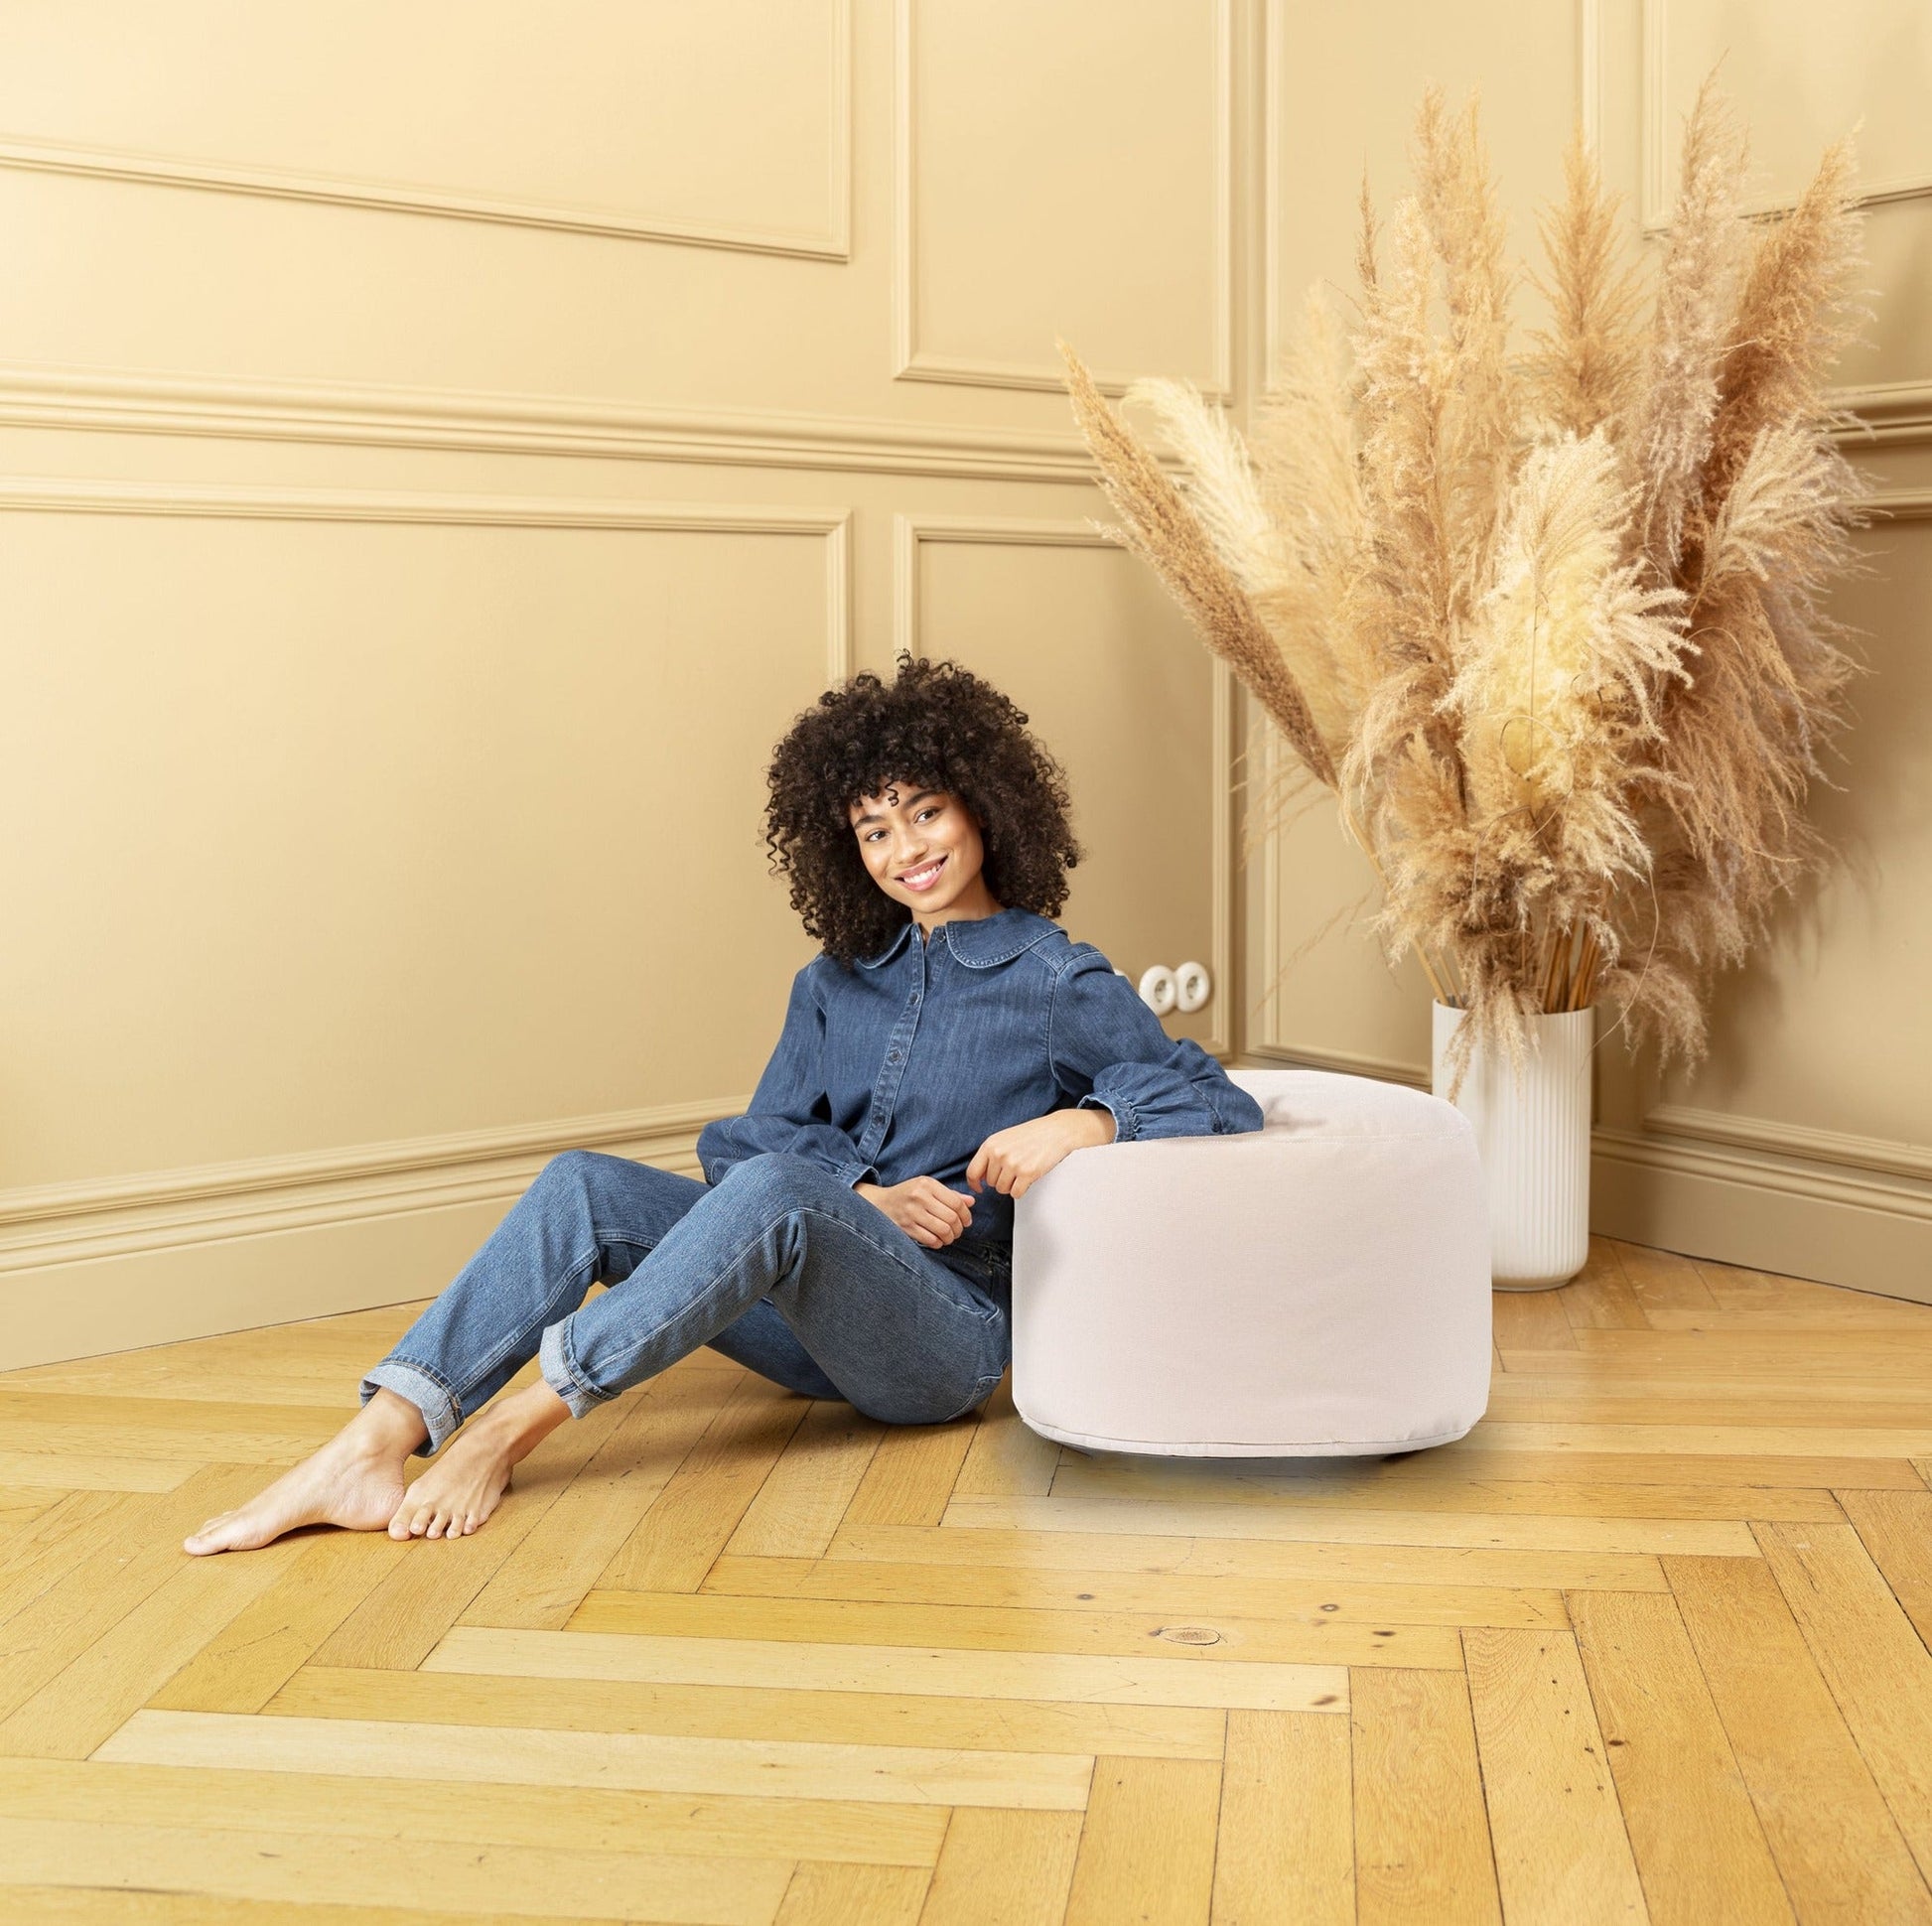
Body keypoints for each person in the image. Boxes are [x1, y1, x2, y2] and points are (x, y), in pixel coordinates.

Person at [184, 656, 1263, 1555]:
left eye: (925, 811)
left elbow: (1212, 1094)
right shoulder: (834, 981)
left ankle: (511, 1425)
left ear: (983, 804)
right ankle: (375, 1440)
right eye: (873, 830)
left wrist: (1078, 1121)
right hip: (808, 1323)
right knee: (583, 1184)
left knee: (785, 1190)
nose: (907, 850)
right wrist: (864, 1197)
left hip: (947, 1340)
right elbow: (743, 1143)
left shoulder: (1055, 977)